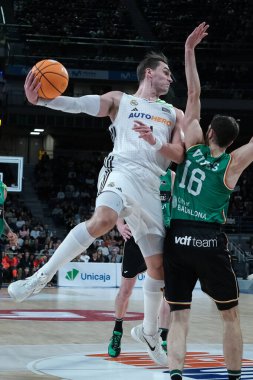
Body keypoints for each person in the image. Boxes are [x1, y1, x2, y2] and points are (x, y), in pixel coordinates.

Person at [8, 51, 185, 366]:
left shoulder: (174, 114)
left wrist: (159, 144)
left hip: (152, 189)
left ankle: (148, 332)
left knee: (158, 270)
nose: (170, 78)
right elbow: (79, 105)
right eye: (166, 72)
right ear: (149, 74)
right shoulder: (121, 101)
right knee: (103, 218)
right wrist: (44, 101)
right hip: (123, 172)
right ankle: (40, 278)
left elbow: (179, 155)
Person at [163, 22, 248, 380]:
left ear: (209, 132)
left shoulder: (194, 145)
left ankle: (176, 374)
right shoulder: (232, 163)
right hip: (210, 241)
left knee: (180, 315)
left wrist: (188, 50)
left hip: (178, 237)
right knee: (229, 315)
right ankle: (232, 376)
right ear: (231, 141)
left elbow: (194, 95)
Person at [108, 168, 174, 358]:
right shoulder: (138, 170)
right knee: (125, 290)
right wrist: (119, 224)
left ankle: (162, 337)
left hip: (163, 237)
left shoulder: (171, 176)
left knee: (166, 293)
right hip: (138, 236)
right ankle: (117, 331)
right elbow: (121, 197)